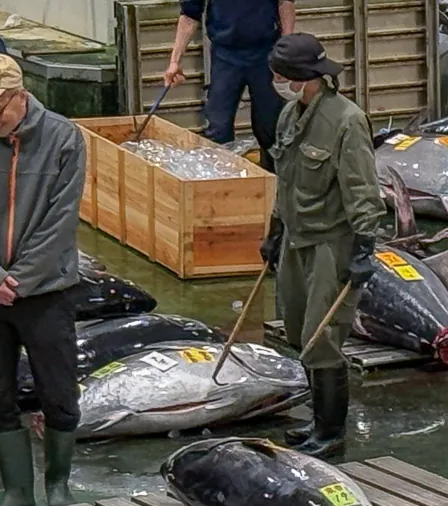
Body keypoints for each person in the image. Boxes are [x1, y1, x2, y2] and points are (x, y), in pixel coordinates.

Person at [0, 54, 86, 506]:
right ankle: (16, 491)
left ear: (19, 96)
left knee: (59, 390)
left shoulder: (64, 138)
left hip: (48, 290)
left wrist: (23, 278)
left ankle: (58, 484)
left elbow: (61, 219)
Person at [264, 33, 386, 458]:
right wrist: (275, 229)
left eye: (280, 76)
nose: (275, 82)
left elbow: (362, 189)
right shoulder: (287, 116)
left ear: (300, 77)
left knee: (323, 337)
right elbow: (286, 180)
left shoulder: (346, 121)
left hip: (331, 244)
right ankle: (316, 422)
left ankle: (332, 433)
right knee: (299, 331)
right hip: (297, 241)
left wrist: (365, 247)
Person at [164, 0, 294, 171]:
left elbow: (285, 3)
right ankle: (221, 185)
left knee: (270, 128)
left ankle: (275, 185)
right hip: (225, 56)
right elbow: (189, 14)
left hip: (266, 54)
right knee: (219, 128)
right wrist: (175, 61)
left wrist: (286, 49)